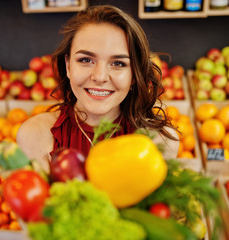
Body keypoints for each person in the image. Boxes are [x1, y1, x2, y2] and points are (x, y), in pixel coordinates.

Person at [17, 5, 179, 173]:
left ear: (134, 75)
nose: (100, 76)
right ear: (68, 66)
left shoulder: (161, 143)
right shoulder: (34, 136)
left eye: (118, 63)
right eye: (86, 60)